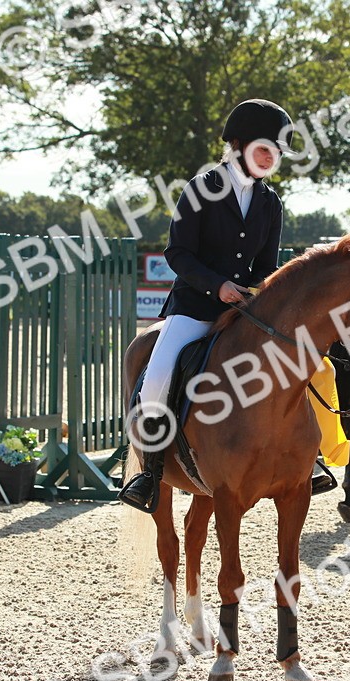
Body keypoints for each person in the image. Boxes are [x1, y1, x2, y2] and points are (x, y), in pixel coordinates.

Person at [119, 99, 291, 513]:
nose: (273, 159)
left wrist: (254, 292)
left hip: (244, 311)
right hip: (194, 305)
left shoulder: (270, 202)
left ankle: (306, 455)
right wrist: (219, 286)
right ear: (240, 144)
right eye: (266, 149)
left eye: (278, 153)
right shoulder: (203, 188)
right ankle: (151, 472)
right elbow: (177, 253)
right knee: (157, 375)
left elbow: (267, 266)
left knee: (296, 366)